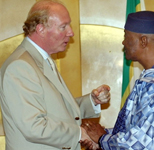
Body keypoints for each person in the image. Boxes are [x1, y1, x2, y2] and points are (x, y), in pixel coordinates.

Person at [81, 11, 154, 150]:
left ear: (143, 41)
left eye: (126, 36)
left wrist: (102, 138)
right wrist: (103, 137)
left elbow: (141, 144)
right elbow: (144, 129)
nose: (123, 42)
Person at [0, 0, 111, 150]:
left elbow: (58, 110)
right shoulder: (20, 66)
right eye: (63, 27)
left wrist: (92, 101)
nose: (71, 32)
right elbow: (34, 126)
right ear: (41, 29)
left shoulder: (41, 59)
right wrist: (80, 133)